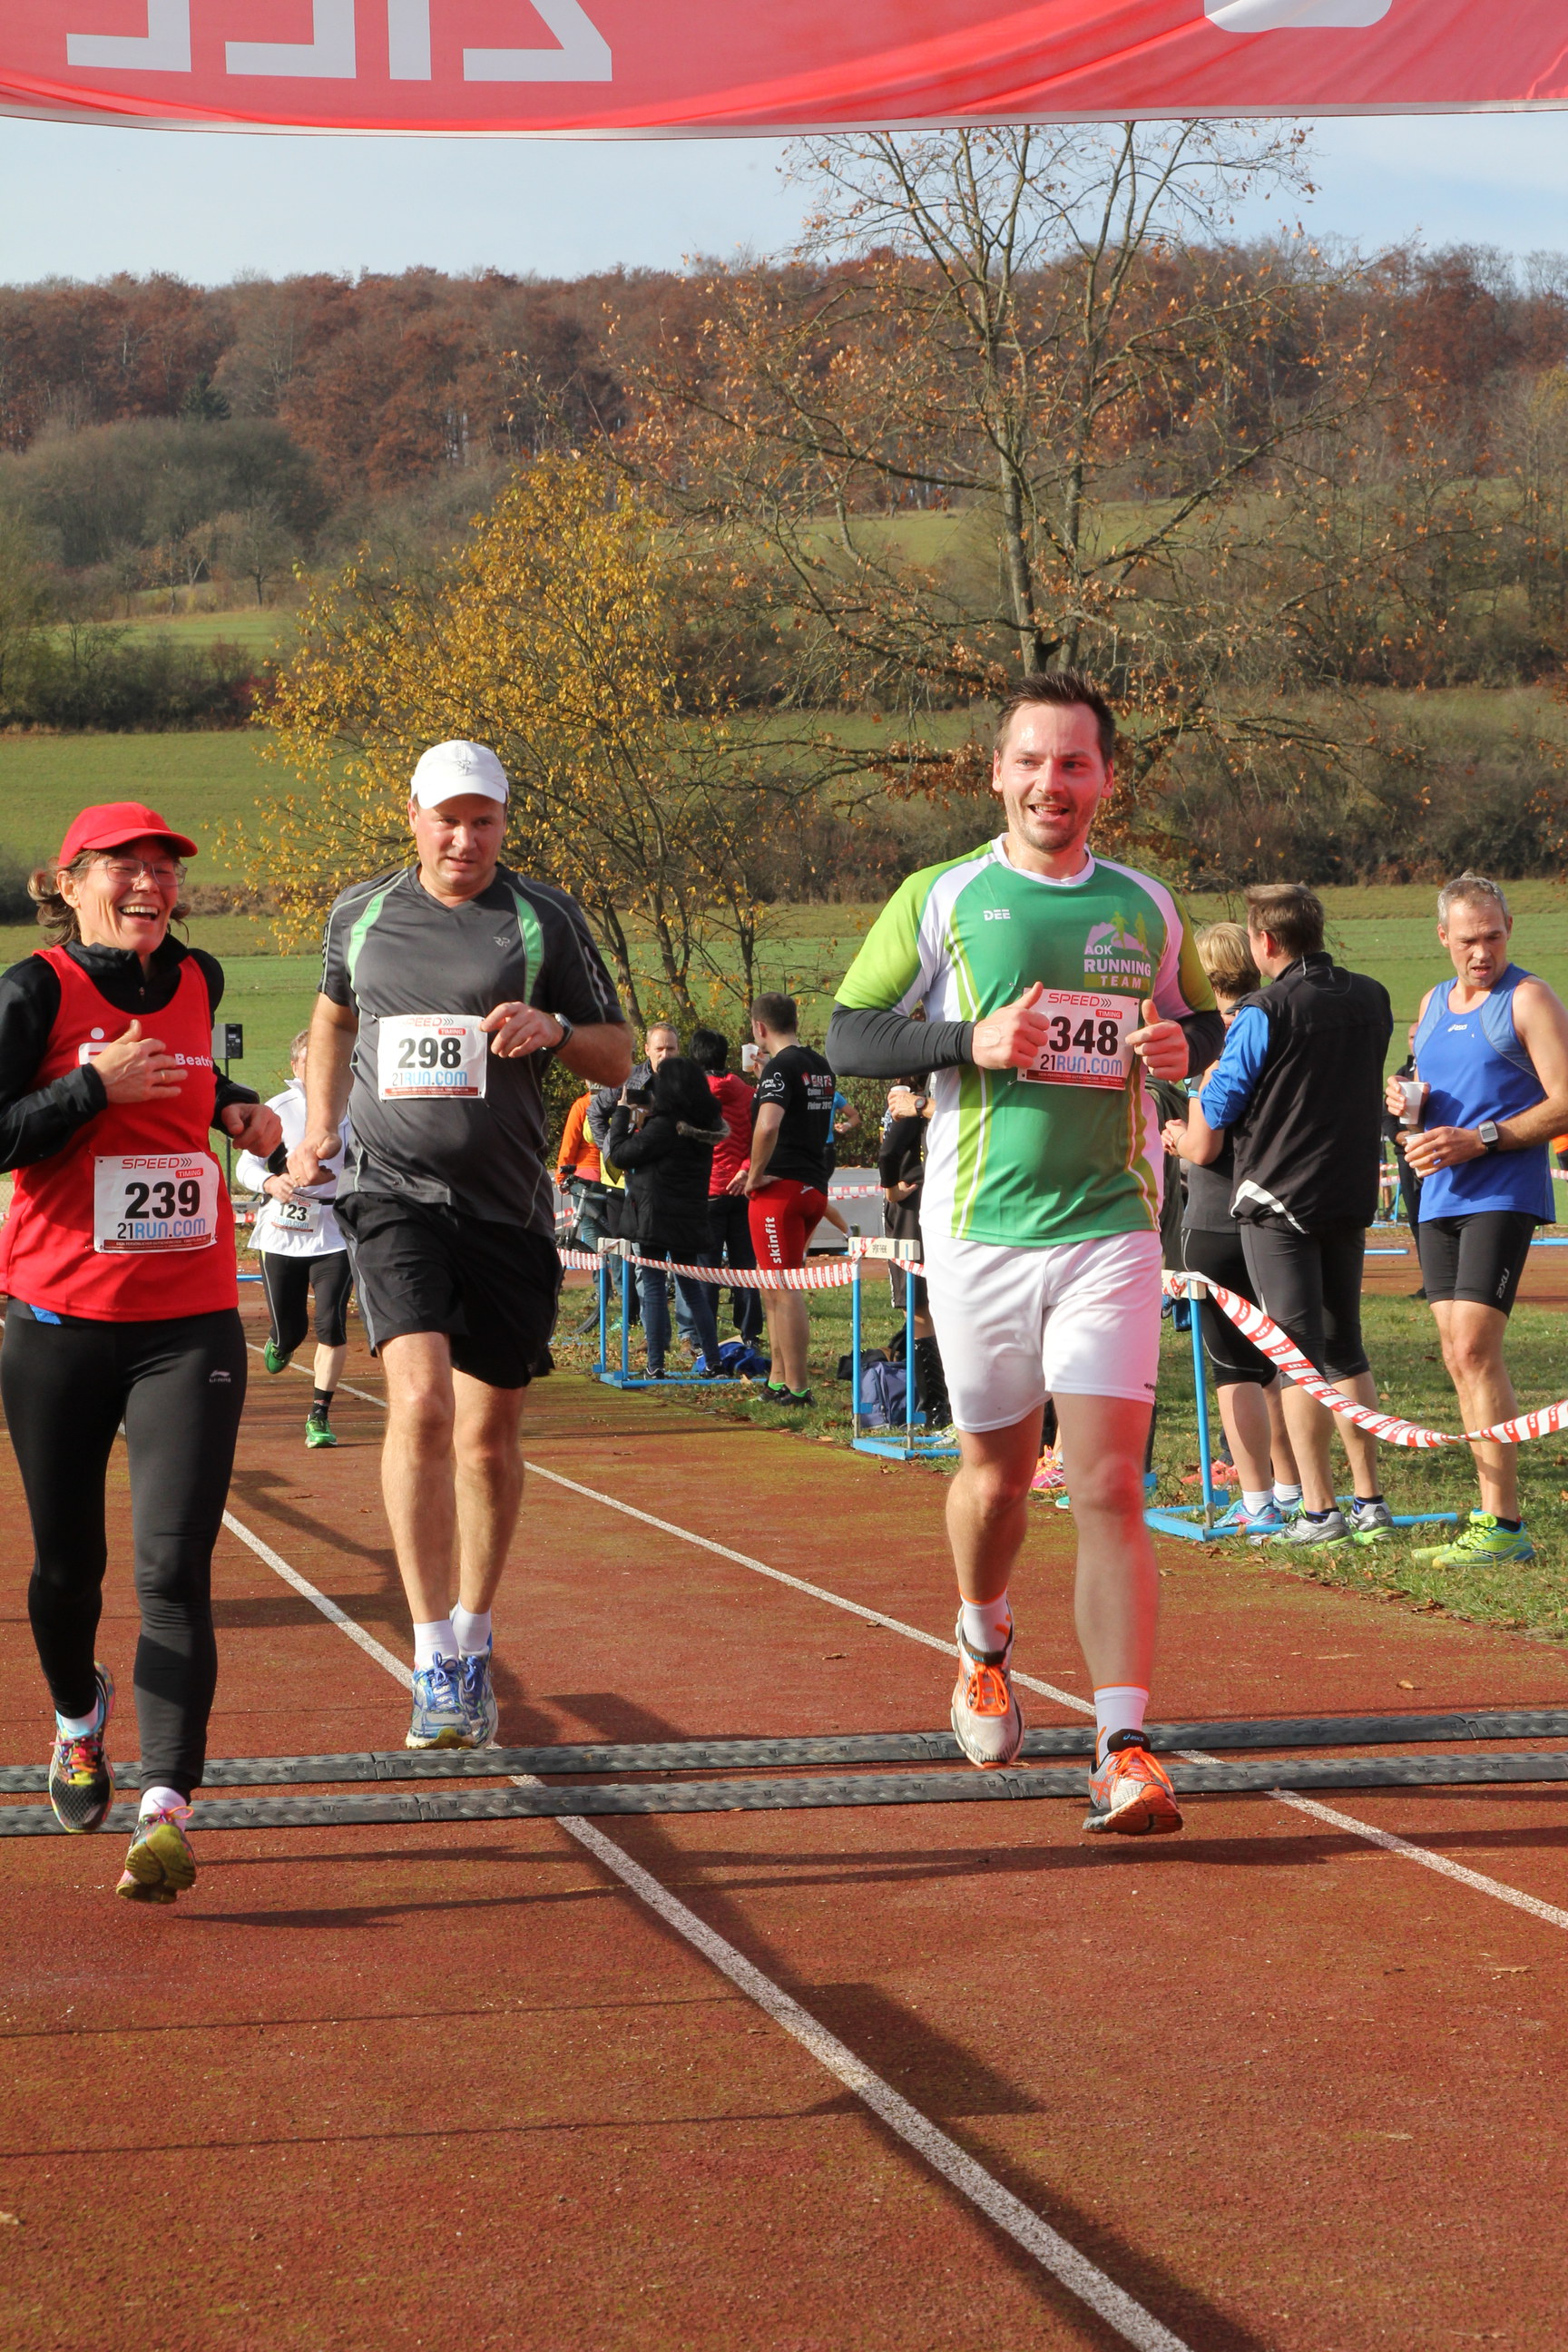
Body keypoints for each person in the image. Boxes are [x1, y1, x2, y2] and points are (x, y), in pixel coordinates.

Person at [827, 671, 1223, 1835]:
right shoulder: (942, 896)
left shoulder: (1148, 906)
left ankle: (1123, 1747)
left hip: (1111, 1229)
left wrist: (1180, 1046)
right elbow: (850, 1031)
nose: (1054, 782)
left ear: (1106, 778)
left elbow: (1199, 1022)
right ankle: (983, 1635)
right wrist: (970, 1039)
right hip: (980, 1237)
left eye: (1075, 763)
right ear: (998, 772)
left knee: (1108, 1484)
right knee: (998, 1481)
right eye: (1033, 761)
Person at [289, 740, 631, 1749]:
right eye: (447, 819)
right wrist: (321, 1125)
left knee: (487, 1439)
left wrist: (552, 1028)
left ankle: (474, 1637)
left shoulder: (544, 917)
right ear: (413, 816)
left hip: (507, 1210)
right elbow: (331, 1019)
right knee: (423, 1403)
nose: (464, 839)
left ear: (504, 824)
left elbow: (617, 1054)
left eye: (483, 821)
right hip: (393, 1195)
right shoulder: (360, 913)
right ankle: (432, 1652)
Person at [0, 800, 281, 1901]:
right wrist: (89, 1089)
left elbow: (187, 1086)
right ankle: (79, 1720)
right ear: (69, 883)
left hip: (189, 1322)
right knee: (67, 1571)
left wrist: (239, 1112)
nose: (148, 884)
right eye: (124, 866)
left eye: (163, 867)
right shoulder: (33, 992)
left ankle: (166, 1808)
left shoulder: (199, 977)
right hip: (57, 1324)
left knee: (173, 1568)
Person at [1179, 883, 1394, 1549]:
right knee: (1344, 1346)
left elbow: (1220, 1106)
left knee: (1296, 1356)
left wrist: (1200, 1088)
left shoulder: (1264, 1010)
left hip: (1278, 1200)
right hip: (1348, 1192)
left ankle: (1319, 1509)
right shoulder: (1373, 996)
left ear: (1265, 942)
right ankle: (1369, 1500)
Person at [1391, 873, 1568, 1567]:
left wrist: (1483, 1138)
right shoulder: (1432, 1003)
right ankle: (1488, 1519)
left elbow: (1564, 1100)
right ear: (1444, 937)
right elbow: (1431, 1091)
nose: (1482, 952)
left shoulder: (1528, 998)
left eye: (1493, 936)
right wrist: (1406, 1103)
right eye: (1468, 940)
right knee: (1455, 1354)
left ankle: (1504, 1524)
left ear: (1509, 929)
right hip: (1438, 1195)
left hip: (1501, 1191)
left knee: (1473, 1350)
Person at [1162, 923, 1302, 1537]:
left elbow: (1204, 1143)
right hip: (1276, 1216)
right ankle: (1293, 1489)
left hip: (1217, 1219)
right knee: (1278, 1362)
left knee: (1235, 1370)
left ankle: (1256, 1498)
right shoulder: (1279, 1027)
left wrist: (1176, 1139)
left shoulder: (1218, 1042)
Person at [237, 1026, 354, 1449]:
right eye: (311, 1060)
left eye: (330, 1059)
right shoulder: (279, 1108)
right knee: (292, 1329)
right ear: (295, 1066)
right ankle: (282, 1341)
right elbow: (246, 1166)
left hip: (335, 1230)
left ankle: (319, 1414)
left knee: (331, 1323)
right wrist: (271, 1182)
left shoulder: (358, 1106)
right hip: (283, 1233)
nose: (322, 1068)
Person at [605, 1055, 729, 1377]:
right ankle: (713, 1361)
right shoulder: (704, 1126)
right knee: (692, 1289)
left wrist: (622, 1112)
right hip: (689, 1218)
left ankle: (656, 1364)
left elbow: (619, 1154)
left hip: (655, 1217)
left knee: (654, 1287)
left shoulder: (663, 1126)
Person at [742, 993, 837, 1406]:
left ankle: (798, 1387)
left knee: (782, 1287)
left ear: (759, 1028)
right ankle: (778, 1379)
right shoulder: (819, 1064)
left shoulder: (780, 1068)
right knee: (773, 1285)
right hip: (813, 1185)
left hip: (780, 1191)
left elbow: (768, 1126)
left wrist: (754, 1174)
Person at [878, 1080, 950, 1430]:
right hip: (935, 1197)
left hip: (911, 1202)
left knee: (916, 1303)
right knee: (925, 1302)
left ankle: (936, 1405)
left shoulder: (909, 1099)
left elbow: (887, 1152)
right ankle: (937, 1402)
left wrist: (891, 1188)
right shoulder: (937, 1097)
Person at [690, 1025, 764, 1347]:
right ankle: (750, 1333)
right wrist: (746, 1169)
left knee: (706, 1269)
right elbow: (761, 1137)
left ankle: (705, 1337)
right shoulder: (747, 1093)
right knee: (744, 1266)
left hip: (708, 1191)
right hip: (743, 1189)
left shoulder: (693, 1096)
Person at [555, 1083, 608, 1252]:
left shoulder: (582, 1105)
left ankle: (598, 1269)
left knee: (590, 1230)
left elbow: (569, 1145)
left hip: (585, 1174)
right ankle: (617, 1269)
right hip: (611, 1175)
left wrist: (561, 1177)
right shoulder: (615, 1102)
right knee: (611, 1233)